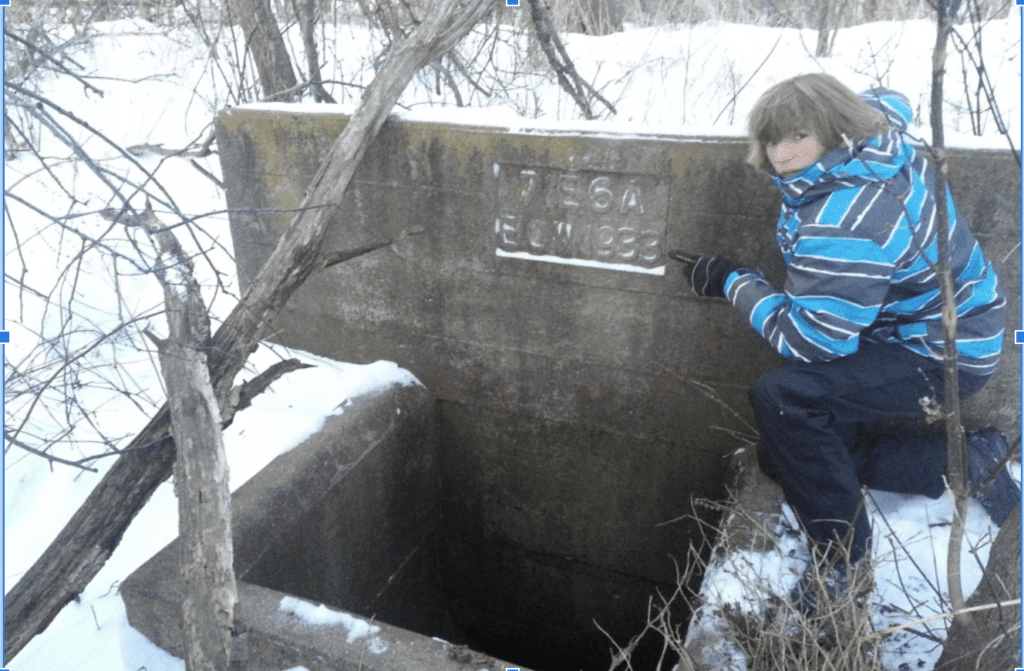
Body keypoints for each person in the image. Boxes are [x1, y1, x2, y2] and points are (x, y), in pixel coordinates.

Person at [669, 73, 1016, 610]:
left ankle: (842, 564)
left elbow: (811, 341)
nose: (778, 154)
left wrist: (732, 281)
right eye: (769, 138)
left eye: (796, 137)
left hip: (942, 351)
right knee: (791, 456)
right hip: (926, 323)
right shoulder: (875, 138)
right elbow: (886, 98)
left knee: (783, 399)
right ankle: (968, 462)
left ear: (834, 130)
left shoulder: (847, 217)